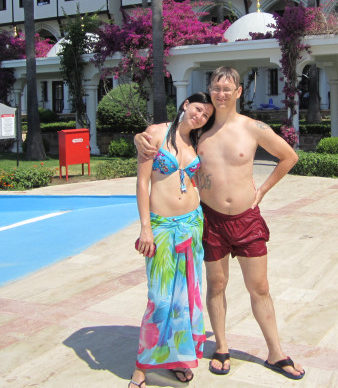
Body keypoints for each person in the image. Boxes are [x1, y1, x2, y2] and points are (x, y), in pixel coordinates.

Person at [135, 66, 305, 380]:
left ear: (238, 92)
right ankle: (222, 347)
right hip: (210, 219)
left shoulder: (253, 127)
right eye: (216, 88)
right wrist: (138, 138)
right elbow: (167, 134)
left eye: (228, 89)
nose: (221, 94)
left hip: (246, 219)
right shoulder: (200, 129)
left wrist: (262, 190)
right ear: (209, 91)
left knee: (260, 287)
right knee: (216, 285)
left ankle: (276, 352)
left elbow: (289, 156)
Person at [129, 92, 215, 388]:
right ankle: (142, 366)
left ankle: (177, 359)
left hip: (191, 224)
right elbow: (142, 183)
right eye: (198, 109)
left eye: (205, 115)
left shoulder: (196, 142)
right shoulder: (154, 134)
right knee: (160, 298)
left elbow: (198, 180)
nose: (199, 117)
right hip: (162, 227)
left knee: (185, 299)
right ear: (186, 104)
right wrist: (145, 228)